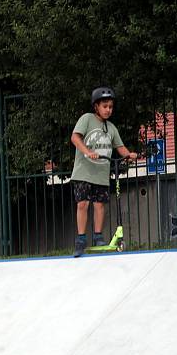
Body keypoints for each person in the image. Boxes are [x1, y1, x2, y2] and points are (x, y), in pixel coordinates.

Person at [70, 86, 137, 257]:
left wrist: (129, 154)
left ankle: (98, 236)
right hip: (84, 171)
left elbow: (120, 147)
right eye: (105, 106)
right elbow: (75, 137)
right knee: (82, 203)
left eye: (111, 107)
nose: (108, 110)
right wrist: (87, 151)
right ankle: (81, 239)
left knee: (99, 205)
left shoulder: (111, 128)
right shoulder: (87, 119)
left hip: (101, 173)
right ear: (96, 107)